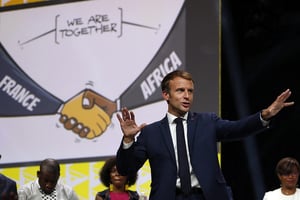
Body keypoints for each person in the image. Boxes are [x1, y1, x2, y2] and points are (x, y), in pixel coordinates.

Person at [116, 69, 294, 200]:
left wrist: (265, 115)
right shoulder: (150, 132)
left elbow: (238, 128)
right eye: (180, 91)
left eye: (190, 91)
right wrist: (128, 139)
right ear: (166, 95)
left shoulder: (207, 122)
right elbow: (126, 169)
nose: (187, 96)